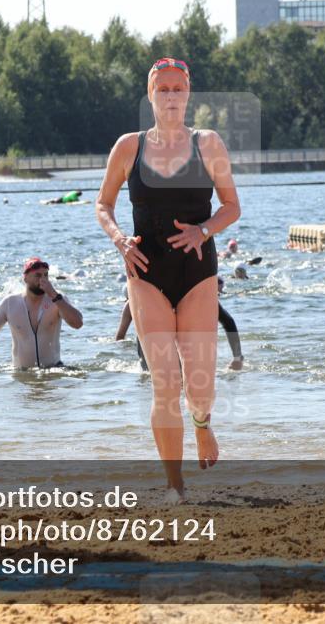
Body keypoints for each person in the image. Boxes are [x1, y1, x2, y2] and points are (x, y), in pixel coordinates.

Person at [95, 56, 240, 498]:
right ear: (151, 95)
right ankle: (175, 486)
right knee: (165, 383)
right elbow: (103, 204)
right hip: (145, 272)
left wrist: (204, 231)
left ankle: (202, 424)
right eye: (164, 89)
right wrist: (120, 240)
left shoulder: (207, 143)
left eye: (178, 89)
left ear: (188, 93)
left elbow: (231, 207)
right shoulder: (129, 147)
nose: (172, 96)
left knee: (200, 386)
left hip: (198, 273)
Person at [0, 257, 83, 368]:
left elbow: (78, 324)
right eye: (38, 275)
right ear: (25, 278)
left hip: (54, 368)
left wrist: (54, 295)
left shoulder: (58, 300)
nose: (43, 280)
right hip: (21, 373)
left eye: (45, 275)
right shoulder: (10, 303)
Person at [117, 277, 244, 371]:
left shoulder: (201, 295)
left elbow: (228, 321)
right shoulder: (147, 299)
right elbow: (139, 333)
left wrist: (237, 358)